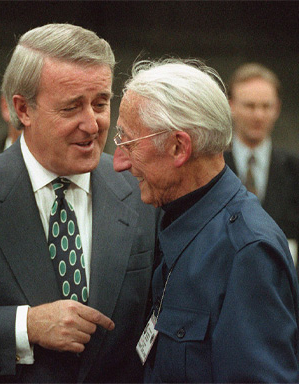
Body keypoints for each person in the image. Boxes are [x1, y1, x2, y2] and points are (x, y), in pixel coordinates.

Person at [0, 24, 159, 383]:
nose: (92, 125)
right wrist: (25, 326)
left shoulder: (140, 189)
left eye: (101, 103)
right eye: (71, 107)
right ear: (23, 109)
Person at [113, 58, 299, 382]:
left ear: (178, 147)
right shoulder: (174, 216)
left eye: (128, 142)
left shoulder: (248, 252)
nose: (118, 162)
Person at [224, 63, 299, 268]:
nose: (258, 115)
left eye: (266, 106)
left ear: (277, 108)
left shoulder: (294, 170)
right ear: (231, 105)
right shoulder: (214, 167)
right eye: (250, 106)